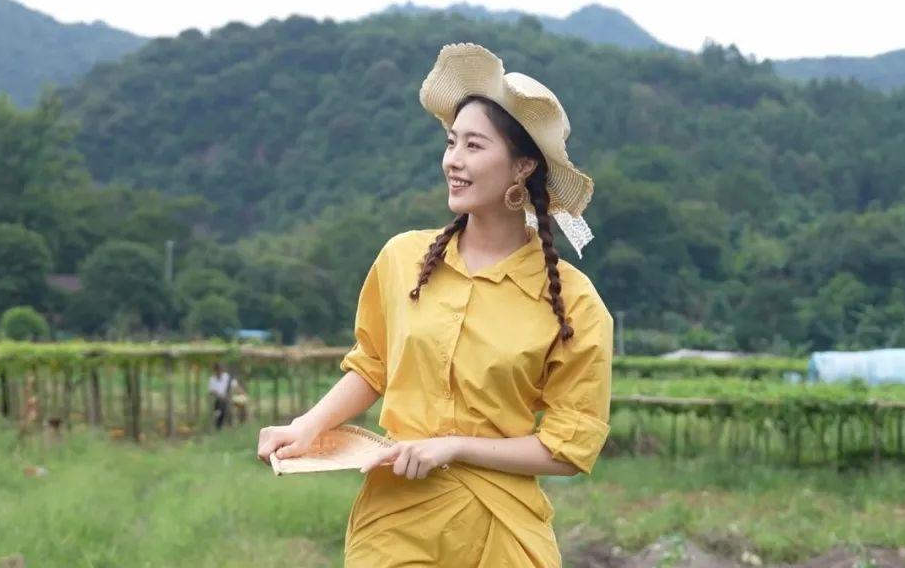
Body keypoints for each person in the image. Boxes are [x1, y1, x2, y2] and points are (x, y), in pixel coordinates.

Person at [257, 42, 613, 567]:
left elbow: (568, 450)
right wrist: (306, 426)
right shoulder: (402, 259)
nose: (454, 160)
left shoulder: (575, 302)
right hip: (395, 526)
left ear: (522, 166)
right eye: (451, 143)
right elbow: (372, 366)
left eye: (474, 145)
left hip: (503, 531)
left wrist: (456, 446)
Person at [207, 362, 243, 429]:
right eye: (217, 371)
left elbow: (235, 386)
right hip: (218, 399)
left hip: (229, 398)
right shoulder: (212, 379)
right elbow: (212, 391)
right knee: (220, 408)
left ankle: (232, 424)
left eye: (220, 370)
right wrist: (220, 396)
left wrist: (241, 393)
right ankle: (219, 424)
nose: (219, 372)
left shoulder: (227, 377)